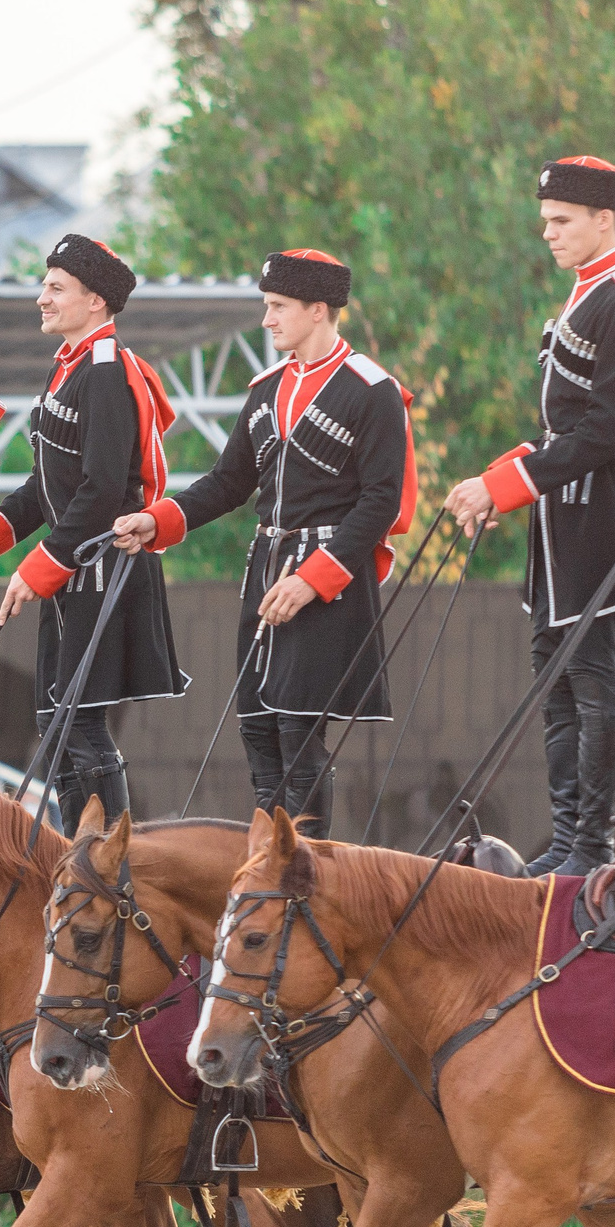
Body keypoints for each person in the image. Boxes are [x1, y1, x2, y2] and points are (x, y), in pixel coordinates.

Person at [112, 249, 415, 835]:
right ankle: (267, 869)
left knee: (299, 732)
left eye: (277, 307)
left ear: (318, 308)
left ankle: (304, 876)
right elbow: (229, 482)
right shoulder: (267, 389)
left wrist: (313, 580)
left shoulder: (371, 390)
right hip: (266, 568)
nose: (267, 319)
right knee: (257, 726)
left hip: (324, 576)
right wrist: (159, 520)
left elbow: (380, 503)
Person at [444, 157, 615, 874]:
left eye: (561, 221)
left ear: (604, 220)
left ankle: (587, 843)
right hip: (559, 516)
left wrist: (508, 485)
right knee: (554, 674)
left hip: (599, 510)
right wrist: (497, 479)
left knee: (589, 672)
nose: (546, 233)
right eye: (546, 220)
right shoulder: (585, 296)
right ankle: (568, 833)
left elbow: (607, 429)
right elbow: (562, 427)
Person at [0, 235, 187, 829]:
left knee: (77, 722)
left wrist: (37, 570)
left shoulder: (105, 373)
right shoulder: (71, 368)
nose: (40, 299)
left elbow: (104, 491)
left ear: (96, 301)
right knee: (58, 721)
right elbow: (46, 485)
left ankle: (103, 858)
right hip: (73, 570)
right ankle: (83, 852)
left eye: (55, 288)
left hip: (103, 569)